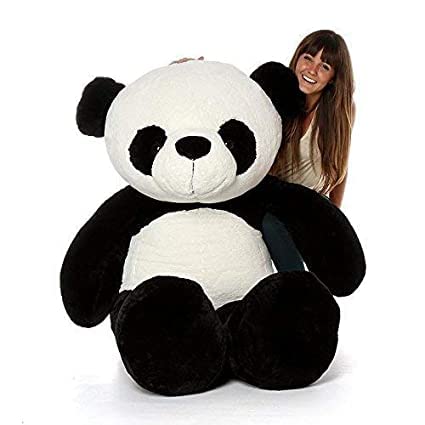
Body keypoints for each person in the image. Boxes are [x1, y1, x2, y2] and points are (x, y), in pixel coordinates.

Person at [263, 29, 355, 271]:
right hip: (273, 200)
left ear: (333, 77)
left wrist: (334, 215)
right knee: (270, 223)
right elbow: (237, 95)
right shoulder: (276, 94)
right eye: (308, 58)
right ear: (297, 59)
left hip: (309, 202)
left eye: (324, 66)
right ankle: (300, 285)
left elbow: (341, 166)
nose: (312, 70)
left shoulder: (338, 112)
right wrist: (194, 70)